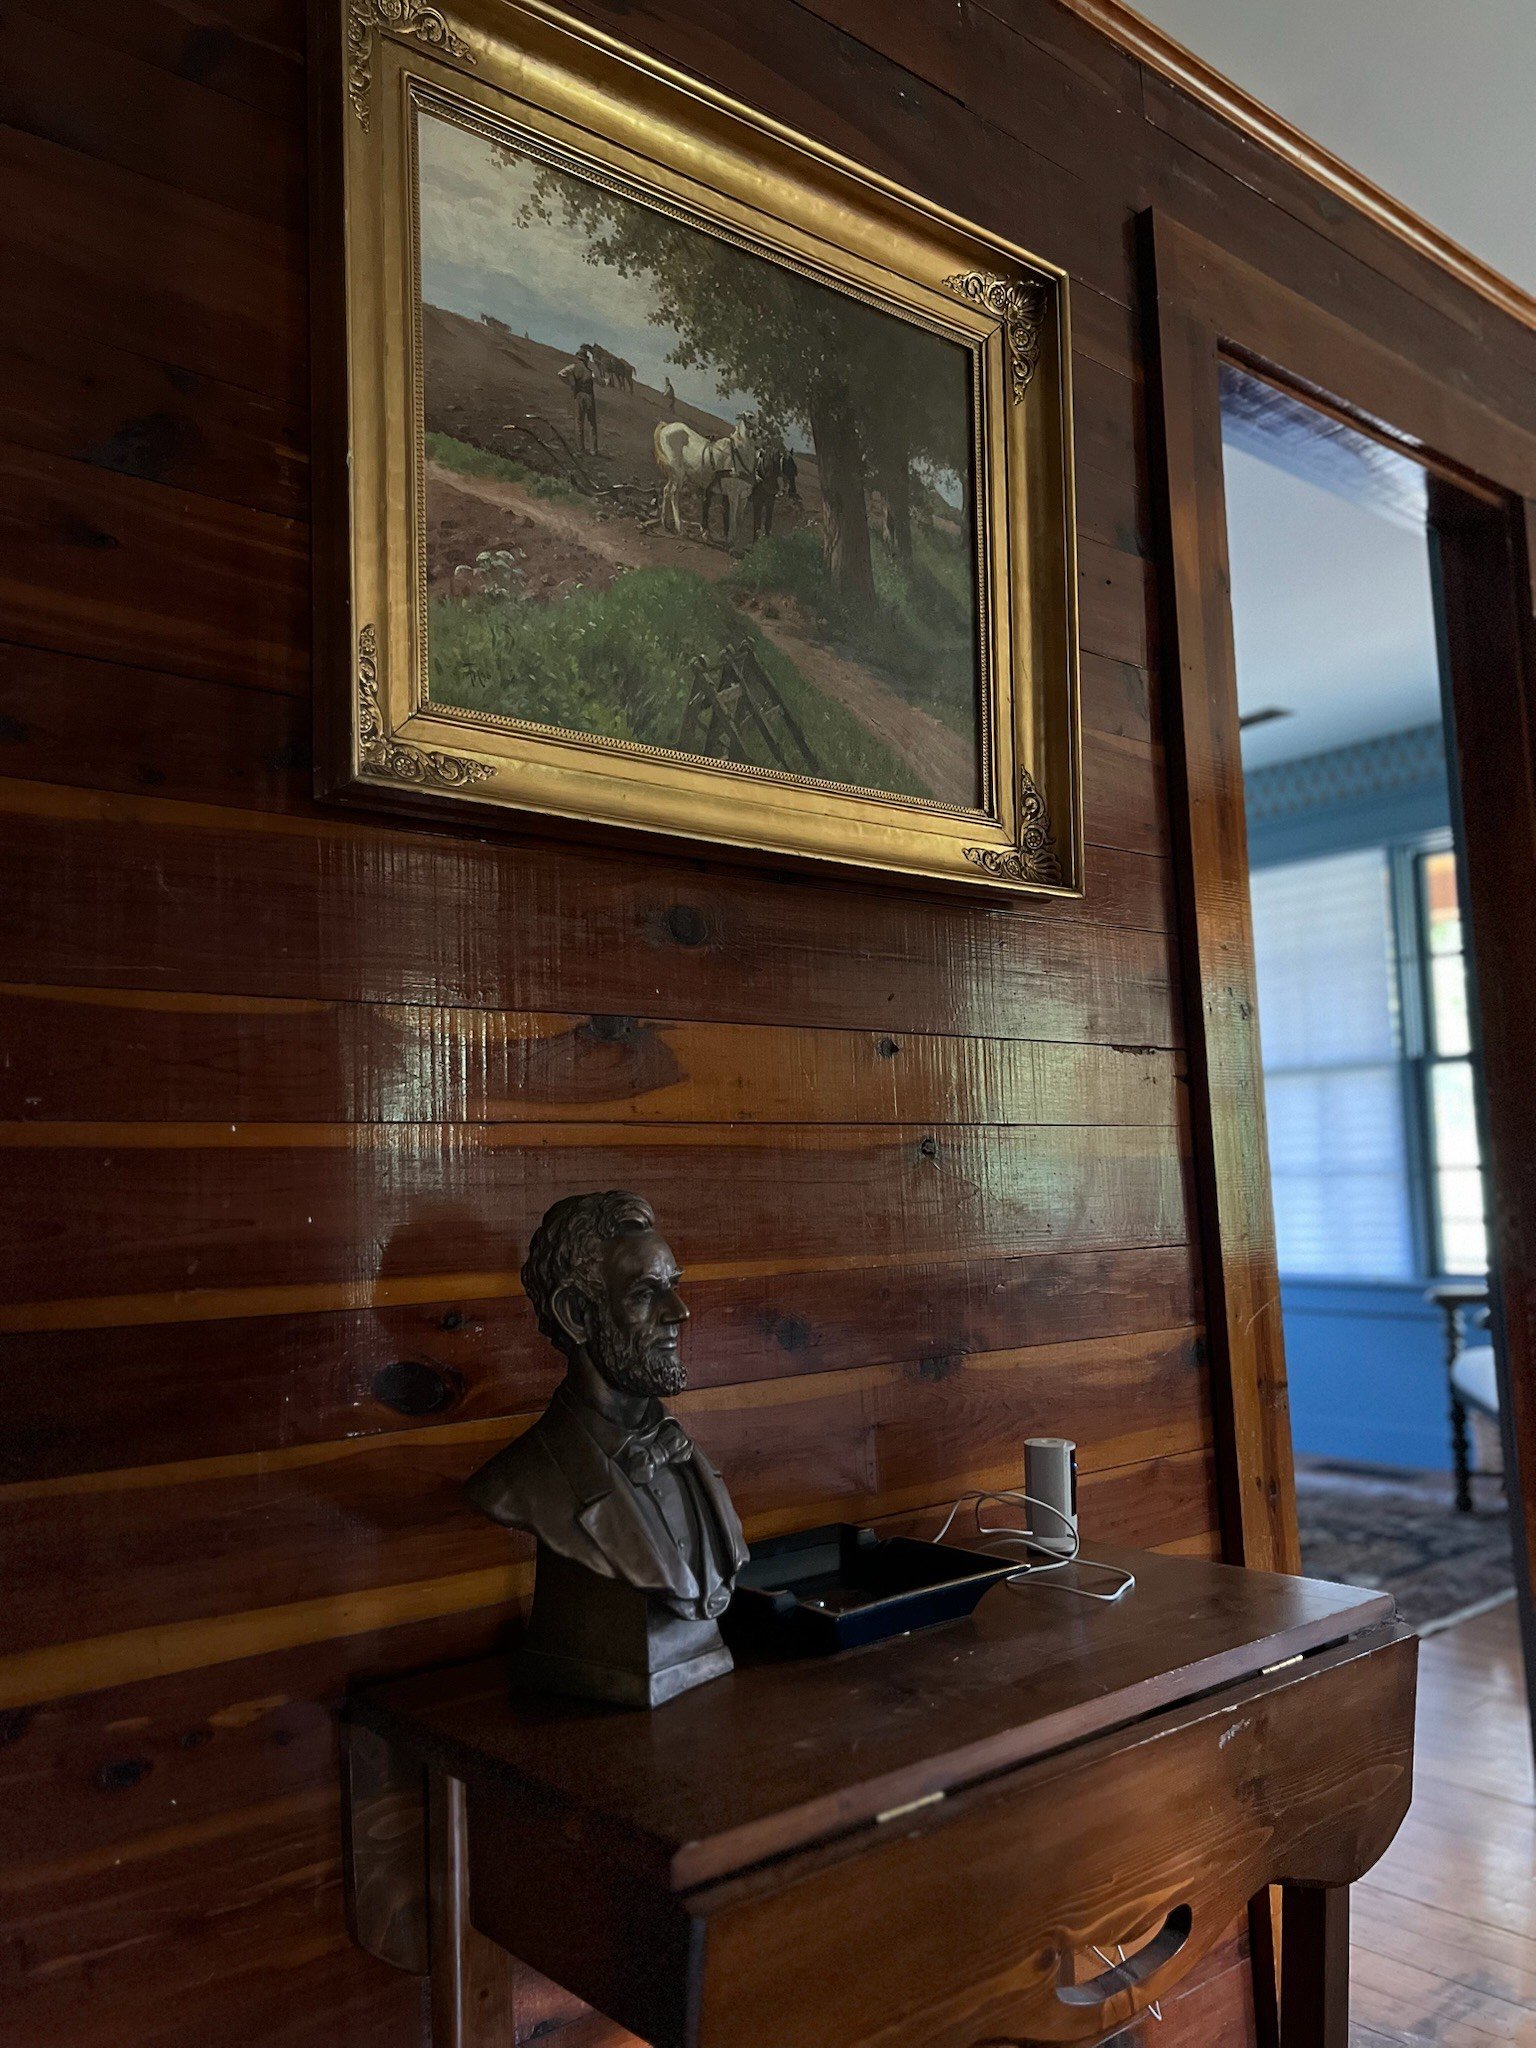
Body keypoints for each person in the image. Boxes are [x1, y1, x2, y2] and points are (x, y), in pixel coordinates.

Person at [464, 1192, 747, 1627]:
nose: (680, 1312)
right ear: (576, 1314)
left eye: (673, 1286)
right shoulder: (519, 1482)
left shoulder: (688, 1457)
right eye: (645, 1294)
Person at [558, 345, 599, 453]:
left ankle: (580, 449)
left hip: (579, 396)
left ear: (578, 358)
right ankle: (593, 450)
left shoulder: (573, 367)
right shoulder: (591, 371)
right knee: (591, 423)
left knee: (579, 422)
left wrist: (571, 384)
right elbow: (599, 381)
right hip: (589, 397)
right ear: (586, 359)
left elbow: (561, 374)